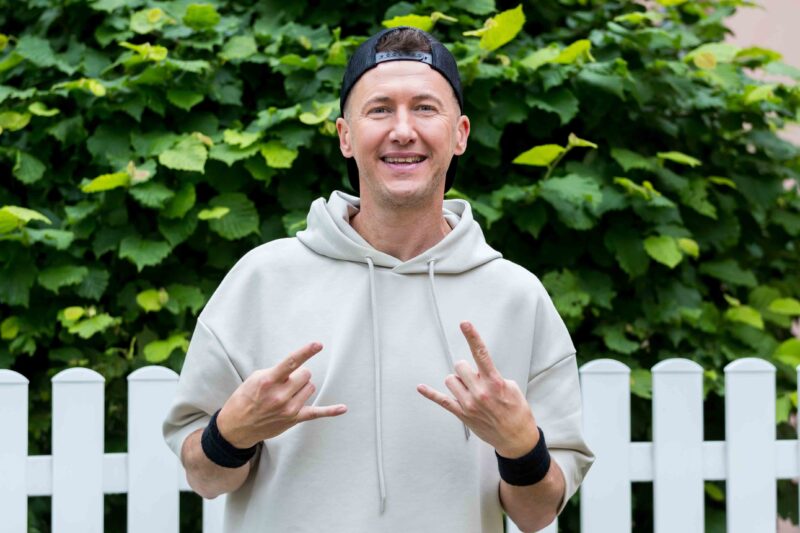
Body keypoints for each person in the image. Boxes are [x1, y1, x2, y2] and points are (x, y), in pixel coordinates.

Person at [163, 26, 593, 533]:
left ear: (460, 134)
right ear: (346, 136)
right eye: (380, 109)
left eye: (425, 108)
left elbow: (536, 513)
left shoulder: (518, 297)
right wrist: (232, 433)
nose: (403, 130)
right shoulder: (261, 280)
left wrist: (520, 447)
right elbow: (204, 478)